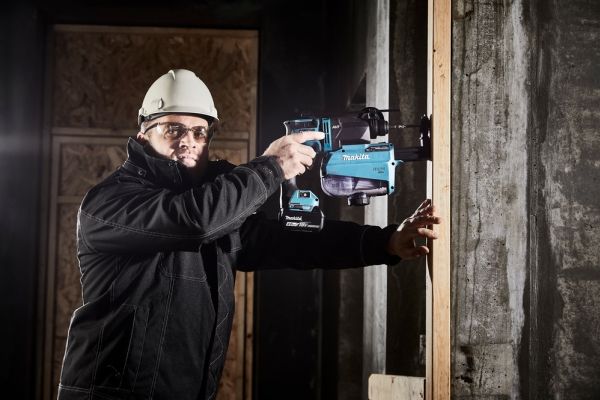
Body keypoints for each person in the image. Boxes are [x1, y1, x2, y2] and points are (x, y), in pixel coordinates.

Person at [57, 69, 441, 400]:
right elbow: (194, 222)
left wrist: (384, 242)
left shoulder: (215, 206)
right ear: (143, 133)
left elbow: (286, 241)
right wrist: (271, 167)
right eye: (173, 129)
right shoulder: (109, 204)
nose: (188, 140)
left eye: (199, 131)